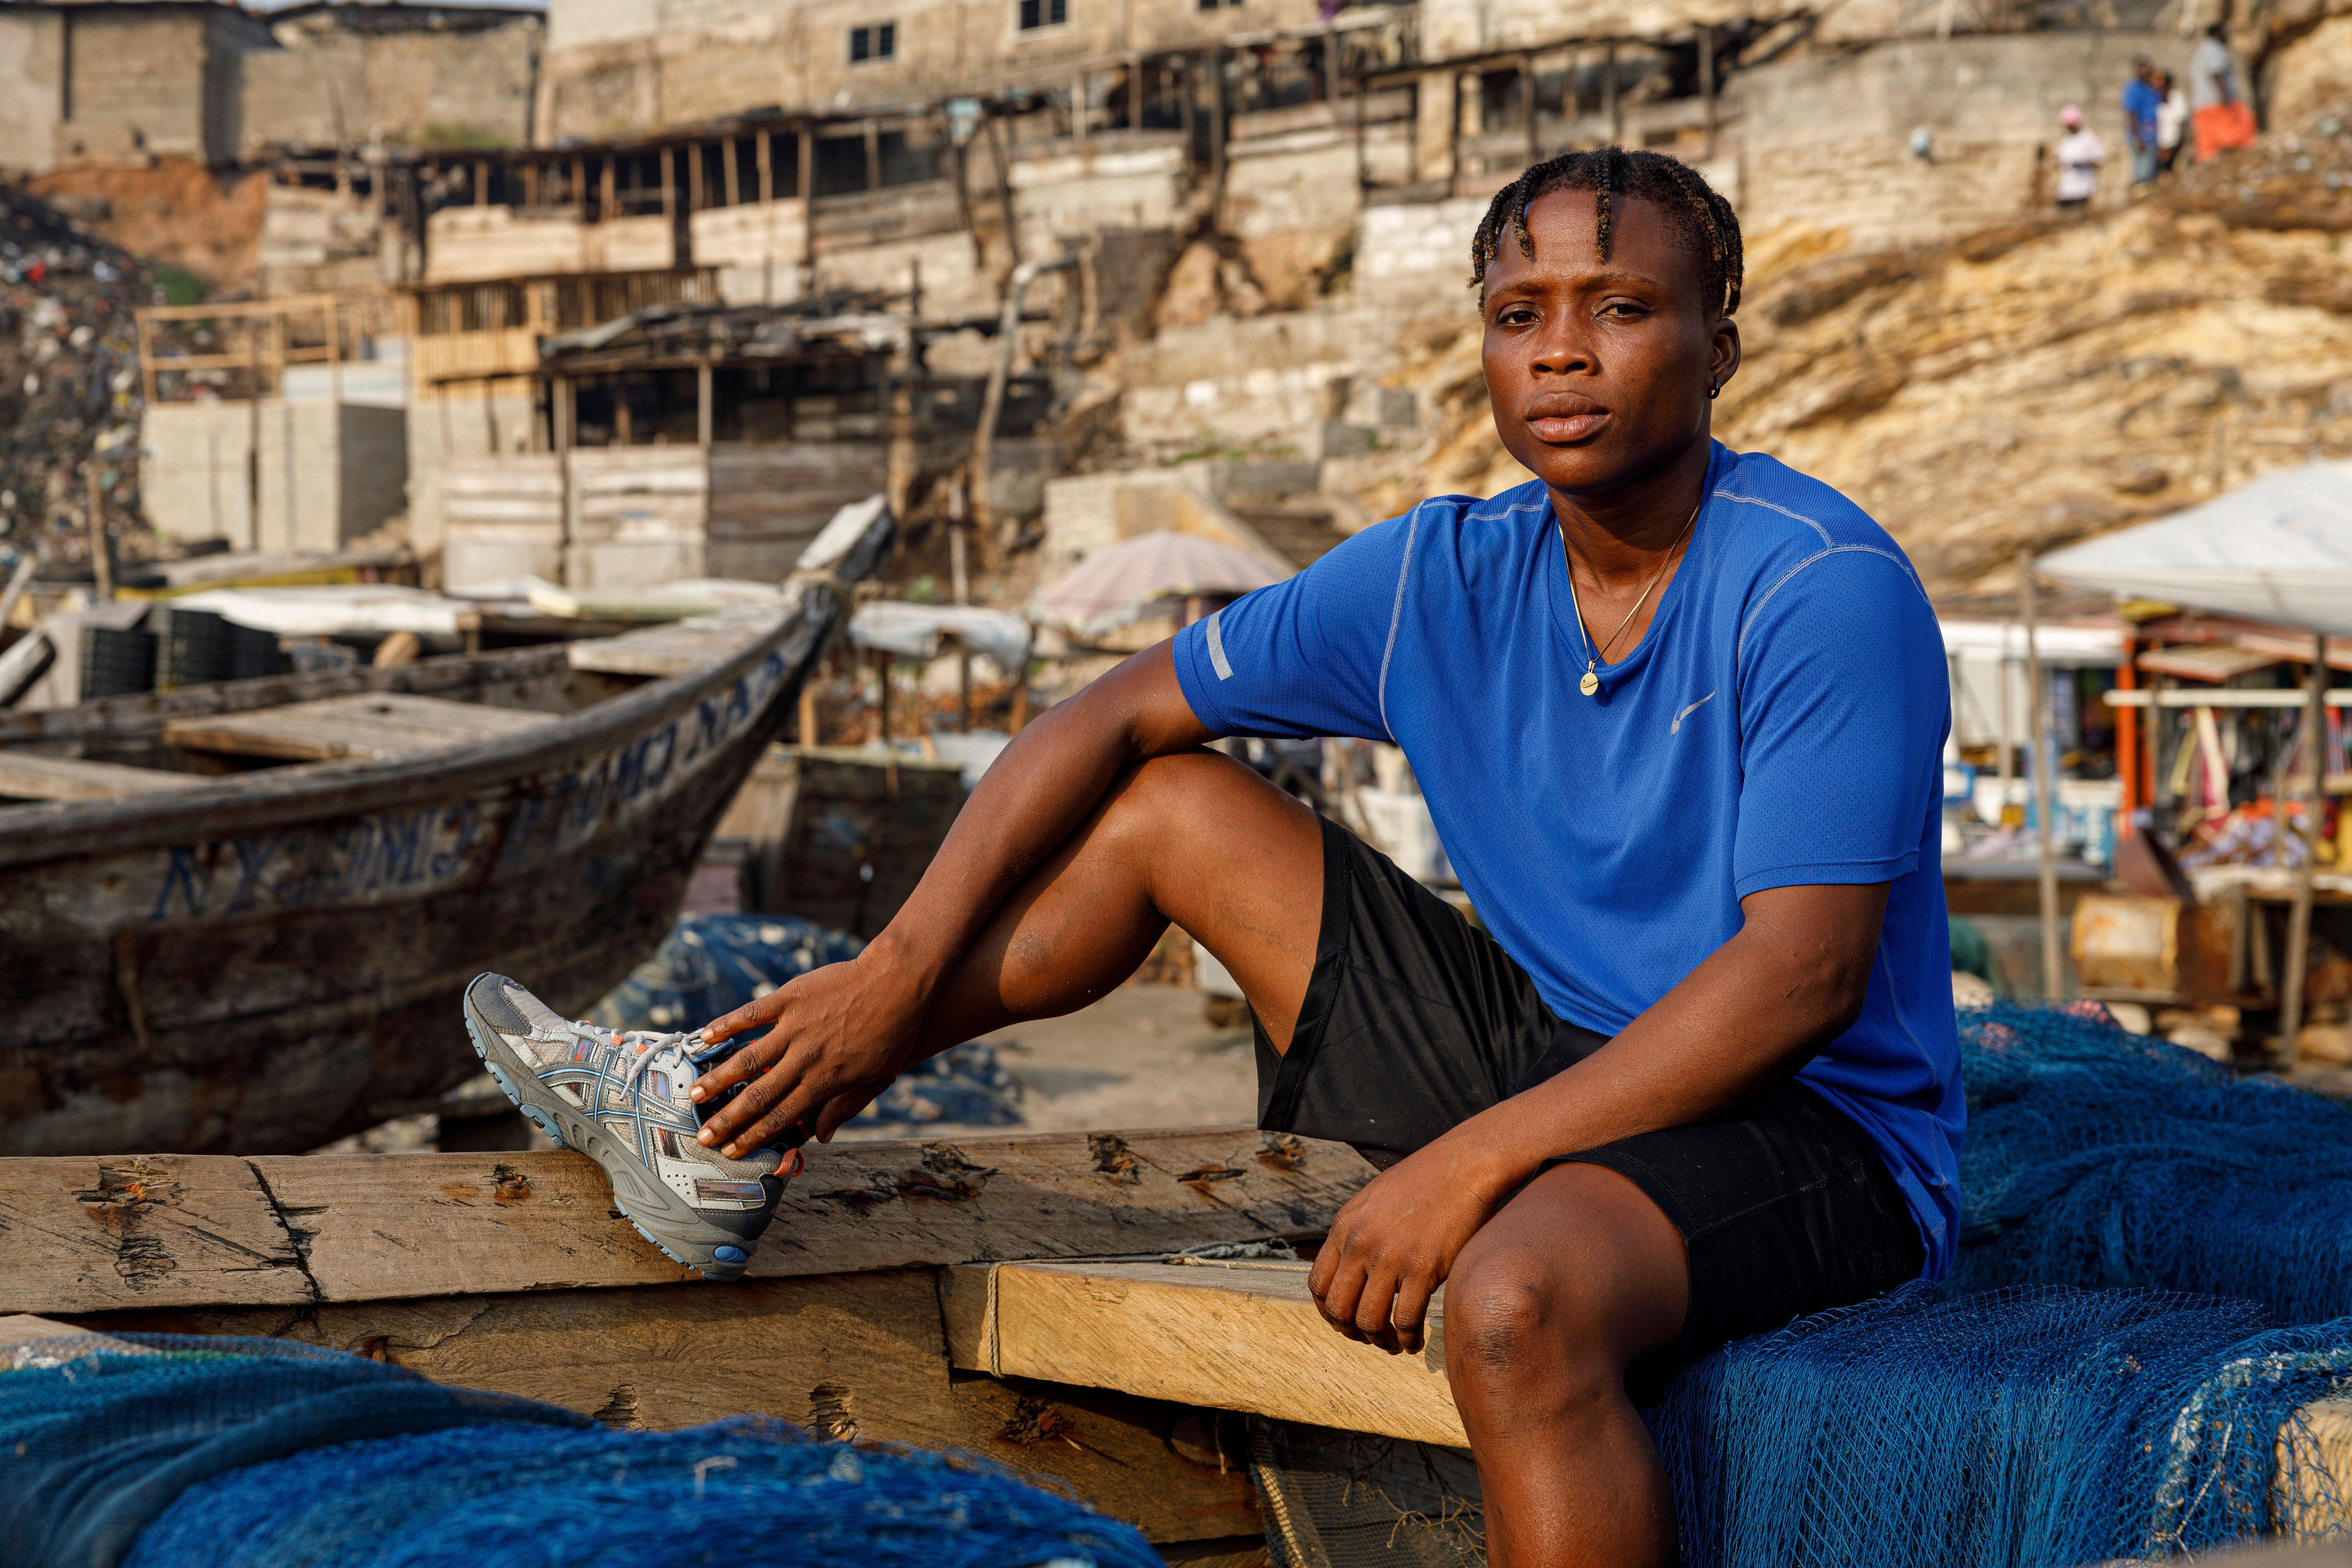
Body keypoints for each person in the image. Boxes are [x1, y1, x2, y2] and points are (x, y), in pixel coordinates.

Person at [678, 148, 1959, 1568]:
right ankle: (760, 1095)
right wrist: (895, 973)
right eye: (1519, 313)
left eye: (1623, 309)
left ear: (1718, 347)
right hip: (1554, 1051)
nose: (1563, 354)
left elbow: (1803, 978)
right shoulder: (1439, 573)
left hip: (1804, 1123)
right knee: (1169, 803)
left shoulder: (1818, 587)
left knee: (1510, 1301)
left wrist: (1467, 1167)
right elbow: (1108, 708)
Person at [2192, 22, 2254, 161]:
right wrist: (2225, 97)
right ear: (2217, 34)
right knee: (2240, 130)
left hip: (2202, 107)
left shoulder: (2201, 51)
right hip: (2217, 105)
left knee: (2209, 148)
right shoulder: (2215, 49)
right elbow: (2216, 72)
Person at [2055, 104, 2106, 213]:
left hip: (2084, 189)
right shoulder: (2065, 140)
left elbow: (2100, 160)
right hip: (2066, 191)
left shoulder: (2089, 137)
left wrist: (2084, 162)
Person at [2123, 60, 2164, 185]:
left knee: (2151, 170)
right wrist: (2138, 138)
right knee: (2143, 173)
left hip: (2152, 134)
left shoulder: (2152, 89)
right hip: (2142, 134)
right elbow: (2131, 114)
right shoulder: (2133, 89)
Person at [2156, 67, 2190, 172]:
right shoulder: (2156, 99)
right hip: (2161, 147)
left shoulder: (2177, 97)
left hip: (2175, 146)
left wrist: (2179, 145)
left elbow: (2182, 122)